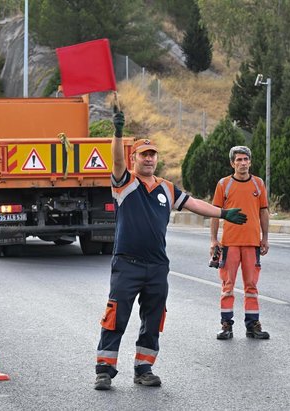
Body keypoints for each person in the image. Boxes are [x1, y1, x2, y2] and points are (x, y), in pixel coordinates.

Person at [94, 109, 248, 391]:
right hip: (127, 264)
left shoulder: (166, 187)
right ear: (134, 158)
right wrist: (117, 134)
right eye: (144, 154)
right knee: (117, 315)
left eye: (153, 154)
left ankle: (144, 368)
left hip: (156, 266)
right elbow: (115, 159)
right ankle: (104, 369)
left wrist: (223, 213)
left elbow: (194, 204)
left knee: (153, 318)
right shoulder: (125, 183)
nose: (149, 158)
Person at [210, 146, 270, 340]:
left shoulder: (258, 184)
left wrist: (265, 238)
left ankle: (253, 326)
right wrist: (213, 240)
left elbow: (263, 211)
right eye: (239, 160)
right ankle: (226, 325)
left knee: (251, 286)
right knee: (228, 285)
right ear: (232, 163)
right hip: (230, 244)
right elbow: (215, 213)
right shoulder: (224, 184)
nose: (243, 163)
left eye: (246, 159)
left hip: (252, 243)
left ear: (250, 162)